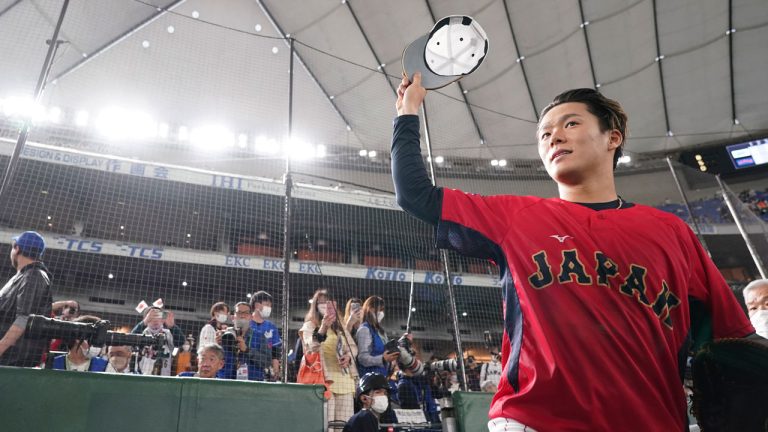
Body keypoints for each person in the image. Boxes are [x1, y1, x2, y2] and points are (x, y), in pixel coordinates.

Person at [392, 76, 756, 431]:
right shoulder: (515, 216)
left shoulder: (672, 232)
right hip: (532, 421)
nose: (554, 136)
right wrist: (407, 113)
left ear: (613, 137)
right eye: (545, 133)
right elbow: (415, 195)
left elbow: (731, 339)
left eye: (570, 123)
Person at [300, 289, 358, 429]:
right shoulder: (309, 326)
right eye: (321, 303)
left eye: (328, 302)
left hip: (345, 382)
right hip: (324, 383)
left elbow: (353, 347)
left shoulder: (340, 327)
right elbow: (311, 347)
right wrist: (323, 327)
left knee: (344, 427)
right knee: (326, 426)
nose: (325, 305)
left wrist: (348, 357)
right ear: (315, 306)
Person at [0, 231, 53, 367]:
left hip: (14, 361)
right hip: (10, 359)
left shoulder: (33, 275)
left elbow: (24, 318)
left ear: (17, 248)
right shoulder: (25, 275)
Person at [355, 296, 398, 377]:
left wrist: (390, 361)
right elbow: (362, 358)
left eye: (382, 310)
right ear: (370, 309)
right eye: (380, 309)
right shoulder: (364, 329)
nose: (382, 313)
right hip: (369, 378)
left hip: (382, 376)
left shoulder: (380, 331)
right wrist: (382, 359)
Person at [247, 291, 282, 381]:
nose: (269, 308)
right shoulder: (247, 323)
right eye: (267, 305)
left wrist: (276, 366)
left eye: (270, 306)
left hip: (264, 369)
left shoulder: (272, 327)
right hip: (246, 367)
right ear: (257, 305)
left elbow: (275, 349)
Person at [218, 301, 253, 380]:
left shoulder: (260, 336)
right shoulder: (225, 335)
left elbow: (266, 361)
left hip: (251, 382)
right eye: (239, 312)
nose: (242, 316)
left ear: (251, 317)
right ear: (232, 317)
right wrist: (215, 345)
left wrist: (247, 350)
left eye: (246, 313)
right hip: (224, 380)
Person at [137, 307, 174, 376]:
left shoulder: (168, 333)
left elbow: (180, 342)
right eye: (152, 316)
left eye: (158, 316)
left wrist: (173, 326)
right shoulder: (142, 332)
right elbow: (131, 340)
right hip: (144, 374)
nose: (155, 319)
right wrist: (143, 323)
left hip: (163, 374)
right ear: (146, 318)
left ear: (162, 319)